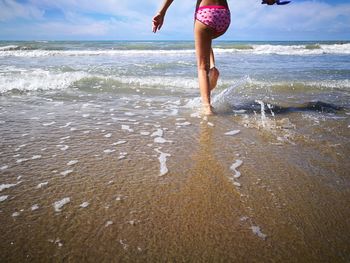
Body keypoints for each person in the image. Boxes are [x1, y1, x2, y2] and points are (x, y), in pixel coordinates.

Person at [152, 0, 232, 115]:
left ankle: (206, 107)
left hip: (205, 13)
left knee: (202, 67)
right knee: (206, 41)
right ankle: (213, 67)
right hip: (224, 16)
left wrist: (161, 12)